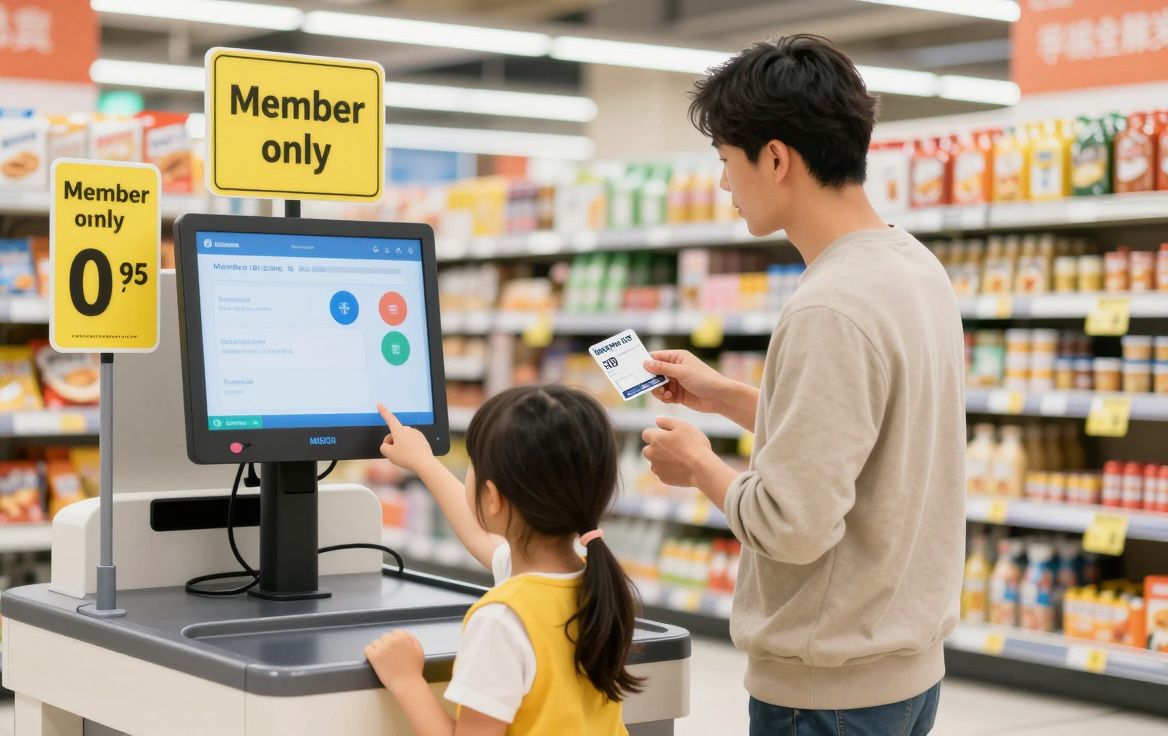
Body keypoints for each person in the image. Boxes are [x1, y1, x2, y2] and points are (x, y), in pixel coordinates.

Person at [640, 34, 965, 735]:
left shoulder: (828, 306)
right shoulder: (913, 267)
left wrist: (698, 464)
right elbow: (871, 436)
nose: (726, 184)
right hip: (905, 673)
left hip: (825, 694)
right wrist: (726, 396)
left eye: (727, 161)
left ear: (777, 158)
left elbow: (792, 526)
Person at [364, 386, 642, 736]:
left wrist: (405, 680)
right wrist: (423, 462)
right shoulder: (593, 582)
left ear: (493, 497)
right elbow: (480, 536)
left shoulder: (500, 620)